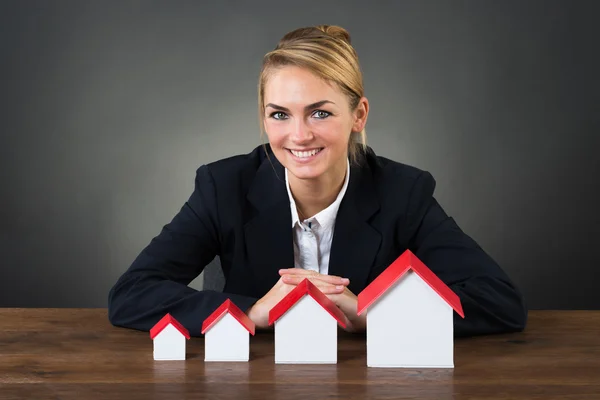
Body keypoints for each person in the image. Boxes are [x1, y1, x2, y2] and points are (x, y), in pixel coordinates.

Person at [108, 25, 527, 337]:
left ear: (358, 116)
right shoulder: (223, 186)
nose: (299, 135)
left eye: (320, 112)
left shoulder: (403, 192)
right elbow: (131, 294)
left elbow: (499, 302)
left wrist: (370, 312)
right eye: (280, 114)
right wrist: (250, 312)